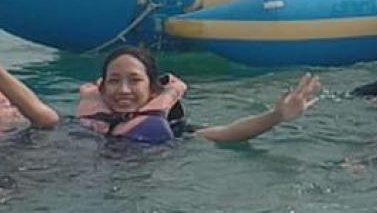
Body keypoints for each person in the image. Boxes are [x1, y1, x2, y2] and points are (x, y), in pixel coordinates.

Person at [75, 45, 321, 144]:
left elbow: (228, 133)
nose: (123, 90)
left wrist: (276, 116)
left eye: (135, 80)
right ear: (102, 88)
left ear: (153, 89)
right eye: (114, 81)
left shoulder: (172, 130)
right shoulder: (83, 126)